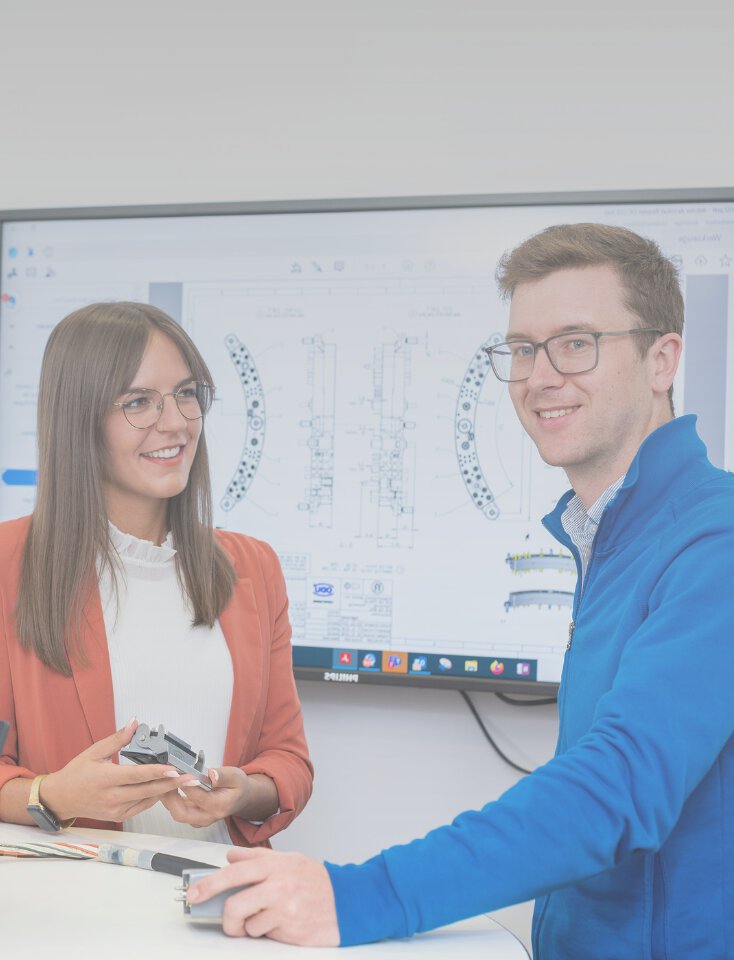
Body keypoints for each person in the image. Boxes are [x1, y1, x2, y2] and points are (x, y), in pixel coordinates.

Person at [186, 223, 734, 958]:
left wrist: (362, 897)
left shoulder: (714, 541)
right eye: (521, 350)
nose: (541, 376)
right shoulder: (618, 534)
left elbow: (618, 787)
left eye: (577, 343)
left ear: (661, 359)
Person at [0, 302, 313, 847]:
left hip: (218, 902)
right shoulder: (9, 563)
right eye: (138, 402)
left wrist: (244, 791)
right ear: (80, 421)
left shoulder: (255, 568)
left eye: (187, 394)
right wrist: (55, 795)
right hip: (71, 910)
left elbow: (288, 762)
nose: (176, 423)